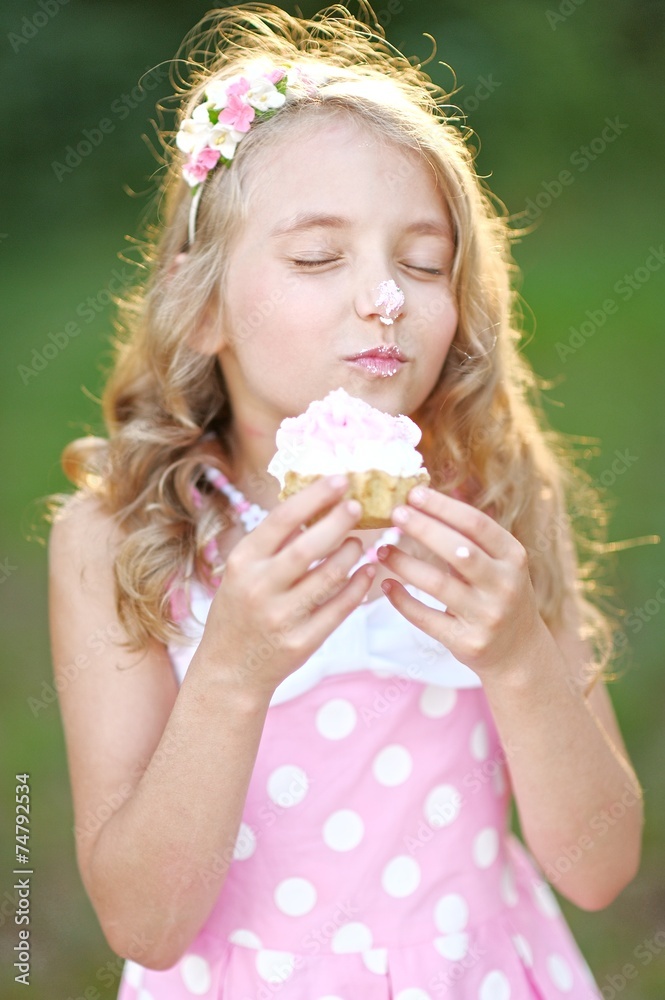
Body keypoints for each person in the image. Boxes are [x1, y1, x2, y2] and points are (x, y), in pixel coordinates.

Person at [46, 4, 644, 998]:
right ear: (200, 305)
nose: (384, 298)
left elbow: (598, 865)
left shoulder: (491, 506)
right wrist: (234, 669)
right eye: (320, 258)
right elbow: (142, 922)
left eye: (419, 262)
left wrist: (516, 656)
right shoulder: (117, 538)